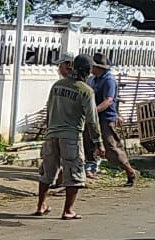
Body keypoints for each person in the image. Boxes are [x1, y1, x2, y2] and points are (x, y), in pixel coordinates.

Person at [36, 54, 105, 220]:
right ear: (88, 71)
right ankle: (68, 210)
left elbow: (49, 109)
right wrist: (98, 142)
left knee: (47, 172)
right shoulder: (86, 90)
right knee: (74, 172)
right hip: (71, 137)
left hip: (52, 135)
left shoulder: (57, 85)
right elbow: (92, 120)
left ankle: (40, 206)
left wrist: (49, 130)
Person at [89, 53, 140, 186]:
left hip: (106, 118)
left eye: (92, 66)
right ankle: (88, 171)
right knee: (89, 145)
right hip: (93, 118)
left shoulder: (108, 80)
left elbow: (109, 100)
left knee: (112, 148)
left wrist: (93, 111)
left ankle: (130, 172)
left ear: (98, 68)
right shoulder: (93, 79)